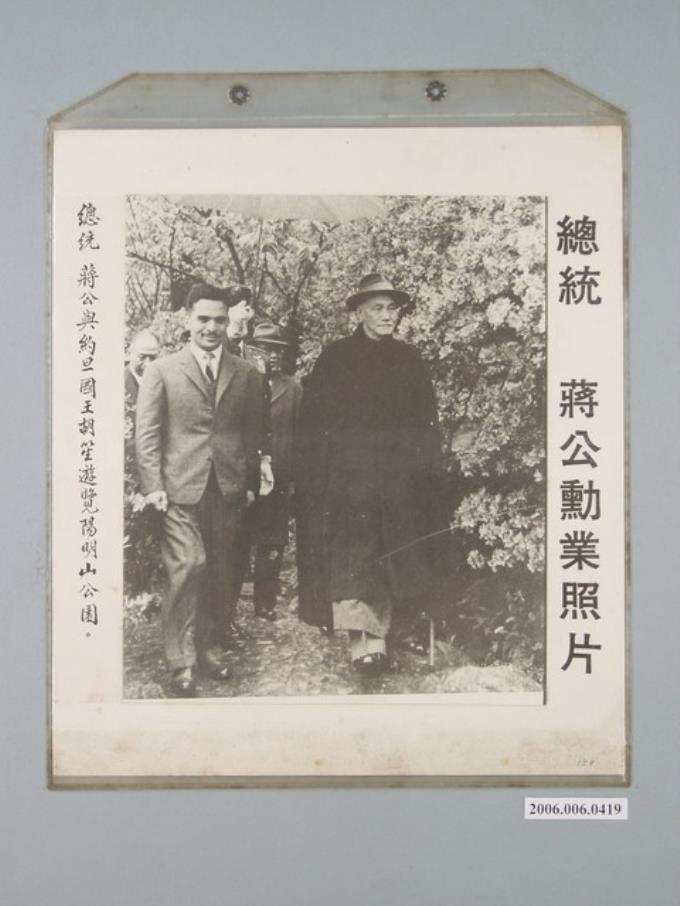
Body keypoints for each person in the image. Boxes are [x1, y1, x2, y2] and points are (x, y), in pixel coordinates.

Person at [296, 273, 448, 674]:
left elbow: (427, 422)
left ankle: (386, 634)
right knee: (355, 559)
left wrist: (427, 466)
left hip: (399, 482)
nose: (386, 316)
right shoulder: (336, 358)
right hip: (350, 482)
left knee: (393, 555)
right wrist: (322, 472)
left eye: (392, 308)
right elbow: (313, 423)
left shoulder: (410, 360)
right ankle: (363, 644)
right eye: (377, 308)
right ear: (359, 312)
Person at [135, 283, 271, 696]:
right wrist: (153, 486)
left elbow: (252, 434)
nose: (211, 328)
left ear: (228, 321)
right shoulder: (162, 370)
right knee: (189, 564)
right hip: (177, 490)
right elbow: (147, 434)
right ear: (188, 319)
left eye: (219, 320)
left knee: (220, 570)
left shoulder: (245, 373)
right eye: (203, 319)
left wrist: (250, 483)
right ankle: (181, 661)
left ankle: (209, 648)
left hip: (227, 489)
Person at [235, 322, 302, 620]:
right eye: (266, 349)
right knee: (238, 541)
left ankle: (265, 603)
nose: (273, 355)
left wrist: (295, 479)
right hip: (244, 477)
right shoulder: (239, 382)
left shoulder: (294, 388)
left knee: (272, 542)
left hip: (280, 479)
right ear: (251, 351)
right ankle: (229, 609)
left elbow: (301, 436)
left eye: (278, 350)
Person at [124, 330, 160, 404]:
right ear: (129, 353)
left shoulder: (163, 382)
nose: (147, 364)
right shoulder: (118, 383)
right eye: (142, 357)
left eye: (153, 357)